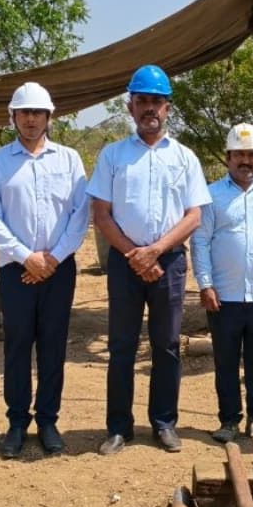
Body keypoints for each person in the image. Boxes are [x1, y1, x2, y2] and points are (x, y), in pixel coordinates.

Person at [88, 64, 212, 455]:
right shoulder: (113, 156)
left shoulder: (185, 158)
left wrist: (156, 251)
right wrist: (135, 254)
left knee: (167, 345)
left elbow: (194, 214)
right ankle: (119, 428)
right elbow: (101, 214)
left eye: (156, 101)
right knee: (122, 346)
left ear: (167, 108)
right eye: (142, 101)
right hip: (125, 264)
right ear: (130, 106)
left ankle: (163, 423)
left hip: (169, 263)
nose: (149, 109)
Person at [0, 82, 89, 458]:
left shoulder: (69, 160)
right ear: (13, 117)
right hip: (16, 270)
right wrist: (27, 257)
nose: (30, 119)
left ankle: (47, 420)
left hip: (59, 268)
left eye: (37, 112)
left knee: (54, 345)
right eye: (24, 112)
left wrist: (53, 258)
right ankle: (15, 422)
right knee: (18, 345)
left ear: (48, 117)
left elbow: (80, 213)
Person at [191, 123, 253, 446]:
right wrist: (205, 284)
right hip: (224, 296)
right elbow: (200, 241)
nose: (246, 161)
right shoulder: (211, 195)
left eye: (252, 155)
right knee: (226, 362)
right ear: (228, 157)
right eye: (239, 154)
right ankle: (229, 419)